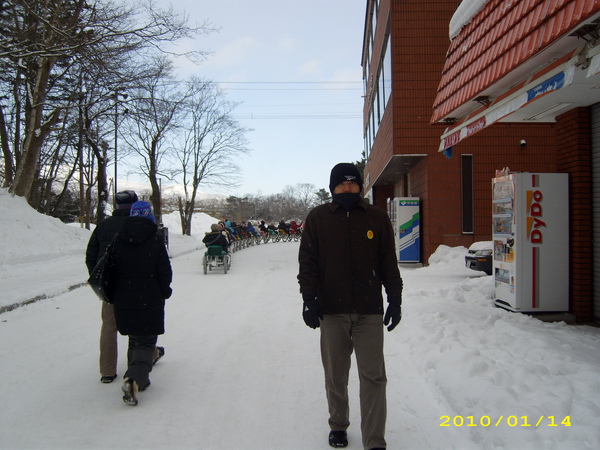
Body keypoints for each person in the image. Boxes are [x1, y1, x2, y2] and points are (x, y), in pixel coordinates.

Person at [297, 163, 403, 450]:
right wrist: (309, 299)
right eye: (341, 184)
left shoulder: (377, 218)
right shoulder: (318, 218)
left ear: (360, 186)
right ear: (333, 187)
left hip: (369, 312)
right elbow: (308, 262)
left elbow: (388, 263)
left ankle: (374, 440)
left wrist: (395, 299)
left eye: (352, 183)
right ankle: (339, 425)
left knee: (374, 378)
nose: (347, 188)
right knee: (336, 376)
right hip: (332, 311)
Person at [85, 191, 165, 384]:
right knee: (141, 326)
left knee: (109, 326)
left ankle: (107, 370)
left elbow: (91, 256)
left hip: (111, 288)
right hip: (141, 288)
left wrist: (103, 280)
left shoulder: (103, 226)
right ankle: (141, 364)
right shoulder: (143, 226)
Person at [111, 201, 173, 406]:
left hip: (123, 297)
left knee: (134, 337)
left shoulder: (119, 239)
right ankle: (134, 378)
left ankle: (140, 379)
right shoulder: (155, 240)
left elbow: (111, 271)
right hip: (150, 297)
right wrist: (165, 290)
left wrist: (113, 294)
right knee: (146, 341)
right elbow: (164, 270)